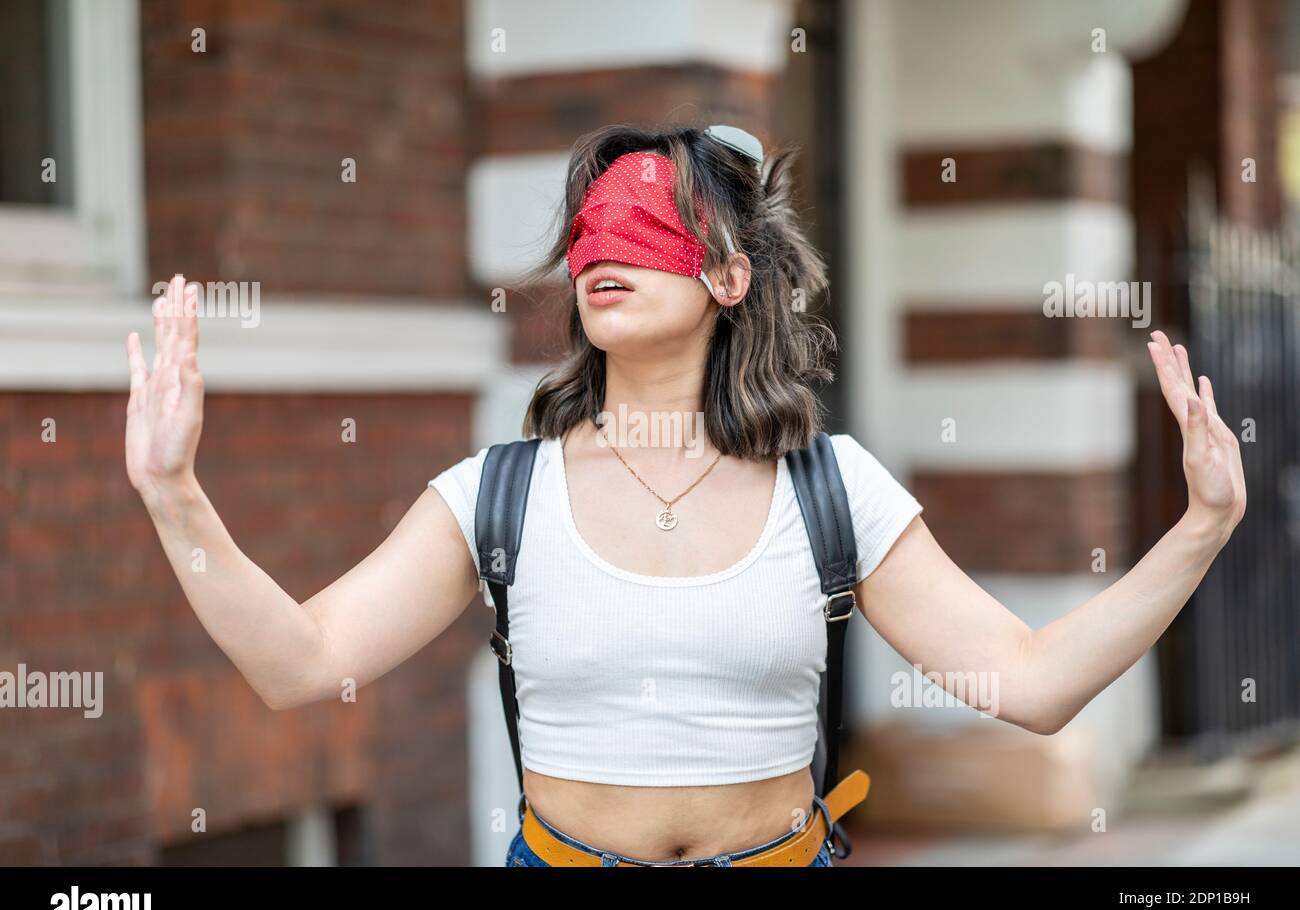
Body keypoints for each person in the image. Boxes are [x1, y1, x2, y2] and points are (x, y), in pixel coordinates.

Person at [124, 124, 1246, 867]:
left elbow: (1034, 683)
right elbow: (300, 663)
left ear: (726, 274)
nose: (600, 246)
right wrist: (173, 489)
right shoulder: (500, 495)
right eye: (587, 230)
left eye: (648, 222)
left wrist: (1201, 527)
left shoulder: (831, 487)